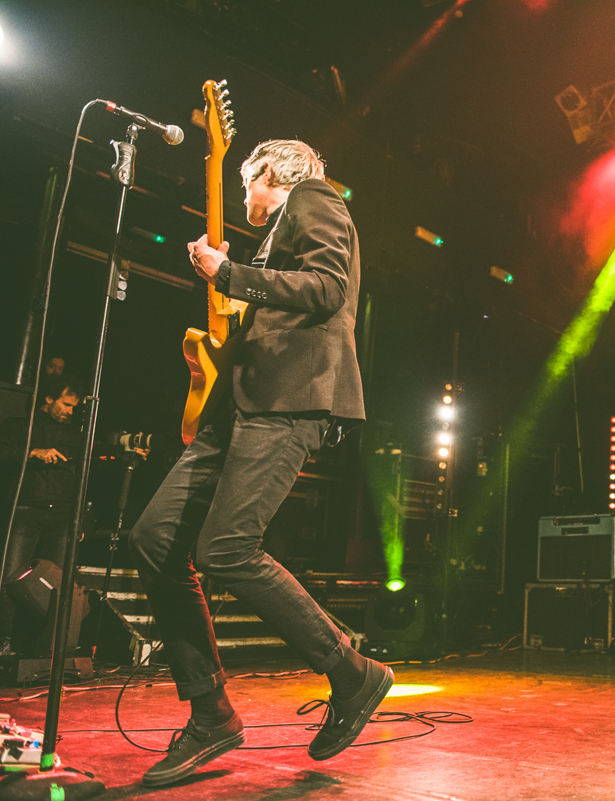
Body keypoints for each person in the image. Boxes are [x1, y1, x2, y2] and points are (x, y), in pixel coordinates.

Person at [129, 140, 392, 787]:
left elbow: (329, 288)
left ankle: (352, 672)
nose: (242, 198)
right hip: (242, 405)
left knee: (226, 548)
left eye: (246, 184)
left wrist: (230, 273)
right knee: (156, 537)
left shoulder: (316, 200)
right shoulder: (281, 228)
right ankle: (211, 710)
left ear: (267, 172)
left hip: (289, 403)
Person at [0, 374, 80, 656]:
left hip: (60, 518)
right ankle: (5, 642)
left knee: (54, 587)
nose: (70, 411)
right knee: (11, 580)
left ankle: (42, 647)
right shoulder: (19, 426)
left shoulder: (75, 434)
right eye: (66, 404)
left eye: (74, 407)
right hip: (25, 513)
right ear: (49, 399)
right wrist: (33, 452)